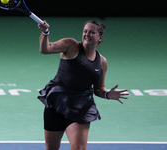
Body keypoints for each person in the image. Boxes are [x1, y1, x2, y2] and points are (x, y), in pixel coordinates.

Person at [37, 20, 129, 150]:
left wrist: (107, 94)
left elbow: (98, 88)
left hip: (80, 107)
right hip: (57, 101)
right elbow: (45, 49)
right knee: (51, 147)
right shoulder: (71, 45)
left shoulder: (102, 62)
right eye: (85, 31)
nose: (87, 34)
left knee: (79, 148)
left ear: (100, 38)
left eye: (92, 32)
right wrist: (45, 32)